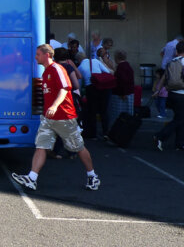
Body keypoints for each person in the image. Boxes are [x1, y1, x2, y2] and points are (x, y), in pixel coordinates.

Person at [12, 44, 100, 191]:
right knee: (41, 146)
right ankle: (32, 178)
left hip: (64, 117)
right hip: (48, 118)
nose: (35, 57)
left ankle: (93, 176)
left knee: (78, 147)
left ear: (47, 55)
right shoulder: (46, 72)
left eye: (38, 54)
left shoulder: (57, 69)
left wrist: (54, 106)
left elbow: (65, 89)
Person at [153, 40, 184, 151]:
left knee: (179, 118)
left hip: (172, 94)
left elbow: (164, 77)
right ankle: (160, 136)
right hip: (182, 94)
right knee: (179, 119)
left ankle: (180, 143)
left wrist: (158, 89)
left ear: (177, 51)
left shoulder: (171, 62)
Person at [78, 47, 114, 140]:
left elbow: (78, 83)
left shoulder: (80, 67)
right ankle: (106, 132)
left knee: (92, 111)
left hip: (90, 88)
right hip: (103, 88)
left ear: (79, 59)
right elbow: (107, 72)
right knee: (104, 111)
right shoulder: (96, 61)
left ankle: (92, 133)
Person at [107, 50, 134, 128]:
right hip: (129, 93)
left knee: (117, 114)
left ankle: (116, 130)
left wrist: (123, 93)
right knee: (127, 113)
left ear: (117, 58)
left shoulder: (121, 67)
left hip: (121, 94)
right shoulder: (128, 66)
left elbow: (122, 81)